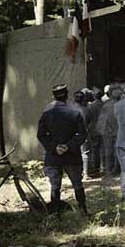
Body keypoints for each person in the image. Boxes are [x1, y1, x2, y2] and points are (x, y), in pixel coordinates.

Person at [37, 84, 89, 216]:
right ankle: (83, 211)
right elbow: (82, 134)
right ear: (67, 95)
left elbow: (41, 135)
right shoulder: (74, 112)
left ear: (53, 97)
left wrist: (54, 147)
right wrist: (69, 146)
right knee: (77, 184)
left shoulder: (46, 114)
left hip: (53, 156)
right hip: (71, 155)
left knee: (55, 186)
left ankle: (56, 214)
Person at [96, 84, 122, 178]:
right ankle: (115, 169)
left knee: (108, 152)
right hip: (116, 131)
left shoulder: (106, 105)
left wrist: (101, 130)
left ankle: (108, 171)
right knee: (116, 151)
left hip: (108, 131)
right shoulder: (119, 105)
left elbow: (102, 120)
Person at [73, 90, 94, 179]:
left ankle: (76, 173)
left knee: (75, 153)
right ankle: (85, 173)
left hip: (73, 134)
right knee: (85, 153)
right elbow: (90, 121)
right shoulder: (86, 110)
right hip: (84, 133)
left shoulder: (70, 109)